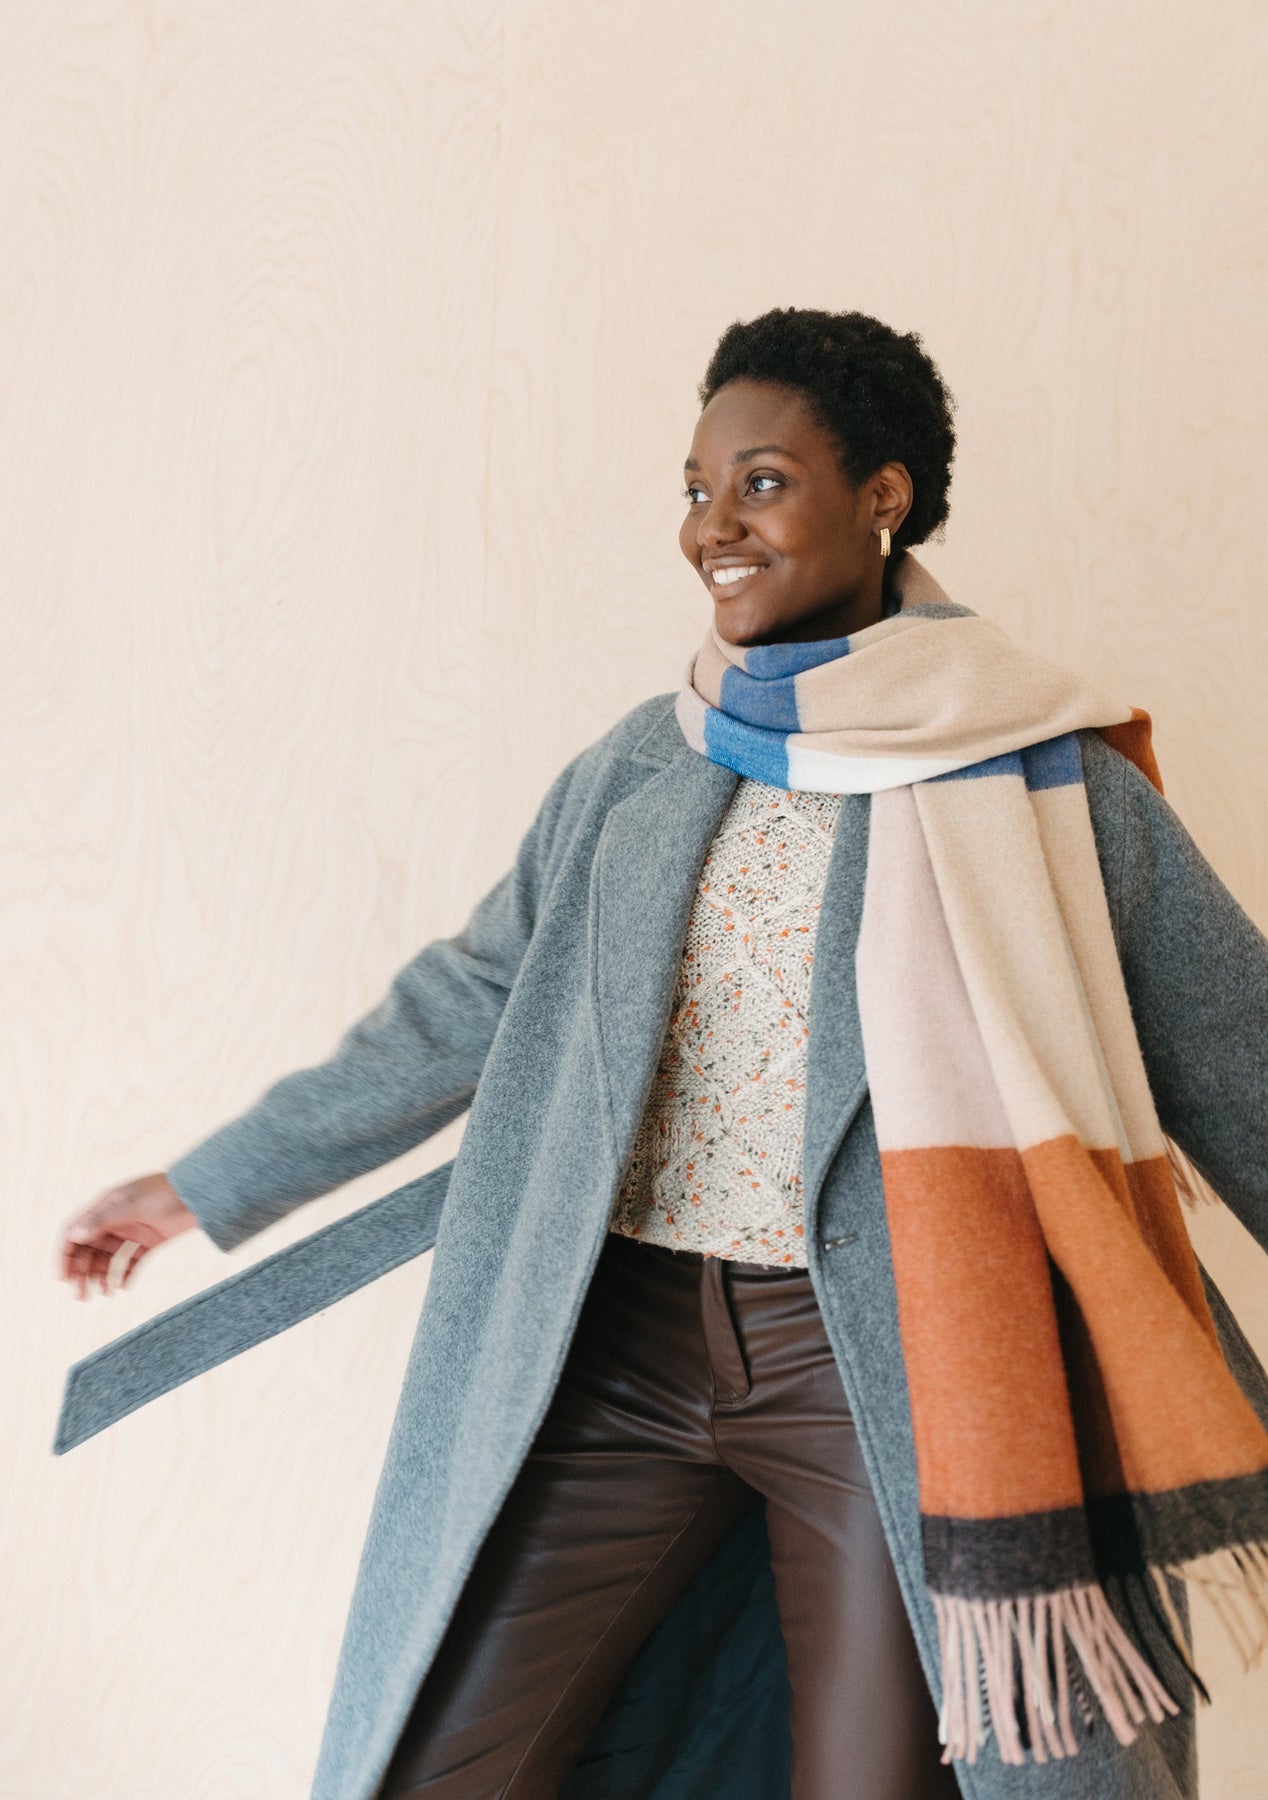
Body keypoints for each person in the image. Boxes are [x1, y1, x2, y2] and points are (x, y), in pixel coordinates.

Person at [57, 308, 1268, 1800]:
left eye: (762, 483)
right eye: (697, 490)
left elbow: (1242, 1061)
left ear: (883, 497)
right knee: (435, 1763)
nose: (714, 528)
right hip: (618, 1345)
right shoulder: (653, 756)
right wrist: (201, 1185)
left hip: (884, 1362)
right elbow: (468, 995)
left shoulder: (1041, 776)